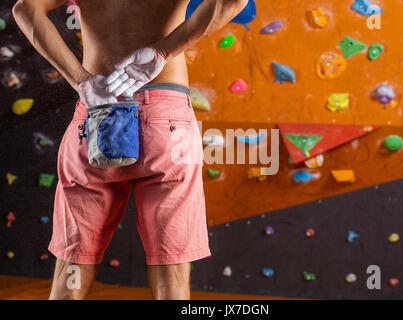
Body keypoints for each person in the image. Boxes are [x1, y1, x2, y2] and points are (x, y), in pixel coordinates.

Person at [12, 0, 248, 300]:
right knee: (171, 277)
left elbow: (25, 9)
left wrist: (81, 81)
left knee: (72, 266)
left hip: (96, 111)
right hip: (166, 120)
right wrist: (163, 51)